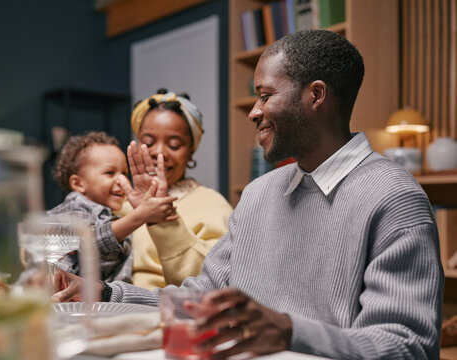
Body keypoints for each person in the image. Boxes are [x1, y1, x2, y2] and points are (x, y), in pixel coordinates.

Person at [53, 30, 443, 359]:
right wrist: (106, 291)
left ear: (316, 95)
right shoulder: (259, 193)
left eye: (265, 95)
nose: (253, 112)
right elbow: (203, 298)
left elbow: (406, 346)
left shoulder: (394, 198)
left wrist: (290, 332)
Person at [114, 89, 233, 289]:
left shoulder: (214, 206)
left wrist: (163, 220)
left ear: (191, 151)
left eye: (175, 145)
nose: (159, 153)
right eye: (148, 142)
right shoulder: (119, 203)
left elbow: (213, 283)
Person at [48, 131, 178, 283]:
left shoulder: (113, 214)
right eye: (110, 173)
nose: (122, 180)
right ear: (78, 184)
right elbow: (88, 244)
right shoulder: (74, 206)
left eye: (124, 173)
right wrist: (140, 215)